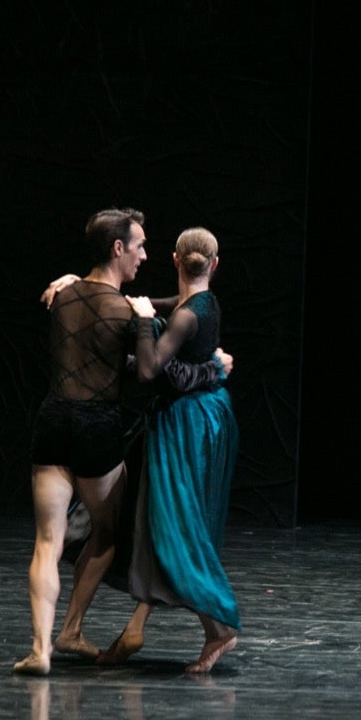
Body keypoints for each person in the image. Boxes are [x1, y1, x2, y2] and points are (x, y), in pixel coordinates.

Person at [101, 227, 242, 674]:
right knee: (163, 521)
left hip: (189, 425)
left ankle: (219, 624)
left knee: (177, 526)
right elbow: (164, 304)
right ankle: (139, 626)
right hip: (199, 418)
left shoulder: (189, 315)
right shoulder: (199, 304)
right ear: (214, 265)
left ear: (175, 258)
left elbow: (147, 369)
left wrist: (143, 322)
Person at [17, 208, 150, 675]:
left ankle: (40, 649)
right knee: (107, 531)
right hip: (97, 427)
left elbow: (86, 298)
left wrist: (73, 278)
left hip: (53, 421)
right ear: (118, 248)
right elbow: (153, 356)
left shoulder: (63, 292)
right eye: (139, 246)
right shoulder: (124, 309)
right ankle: (71, 627)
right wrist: (149, 312)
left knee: (47, 541)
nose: (144, 255)